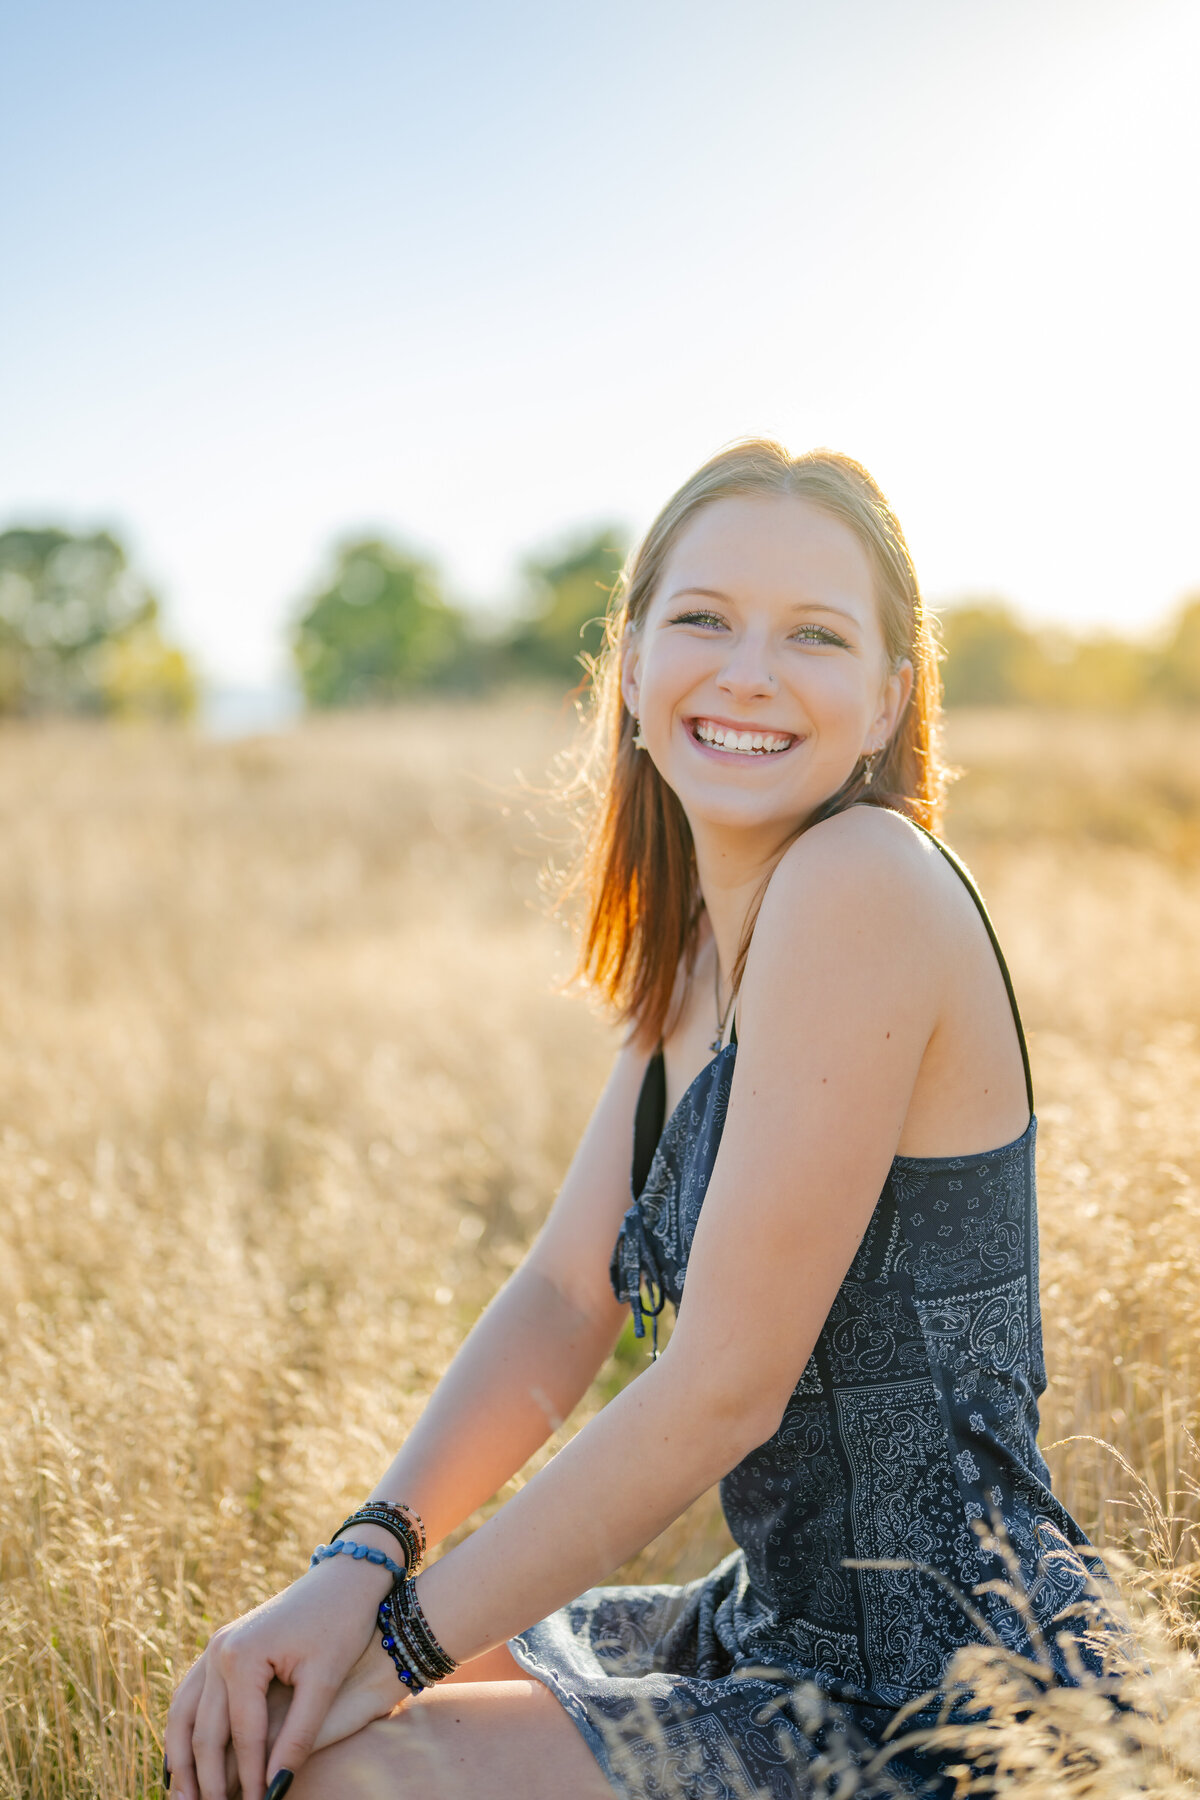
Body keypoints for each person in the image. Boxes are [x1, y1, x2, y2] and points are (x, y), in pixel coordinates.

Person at [165, 442, 1110, 1800]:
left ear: (892, 697)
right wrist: (362, 1558)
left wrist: (396, 1648)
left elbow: (723, 1383)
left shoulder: (862, 882)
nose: (749, 672)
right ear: (632, 660)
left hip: (949, 1689)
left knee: (346, 1772)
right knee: (283, 1723)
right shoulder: (701, 956)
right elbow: (563, 1293)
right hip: (768, 1623)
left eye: (816, 636)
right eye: (705, 618)